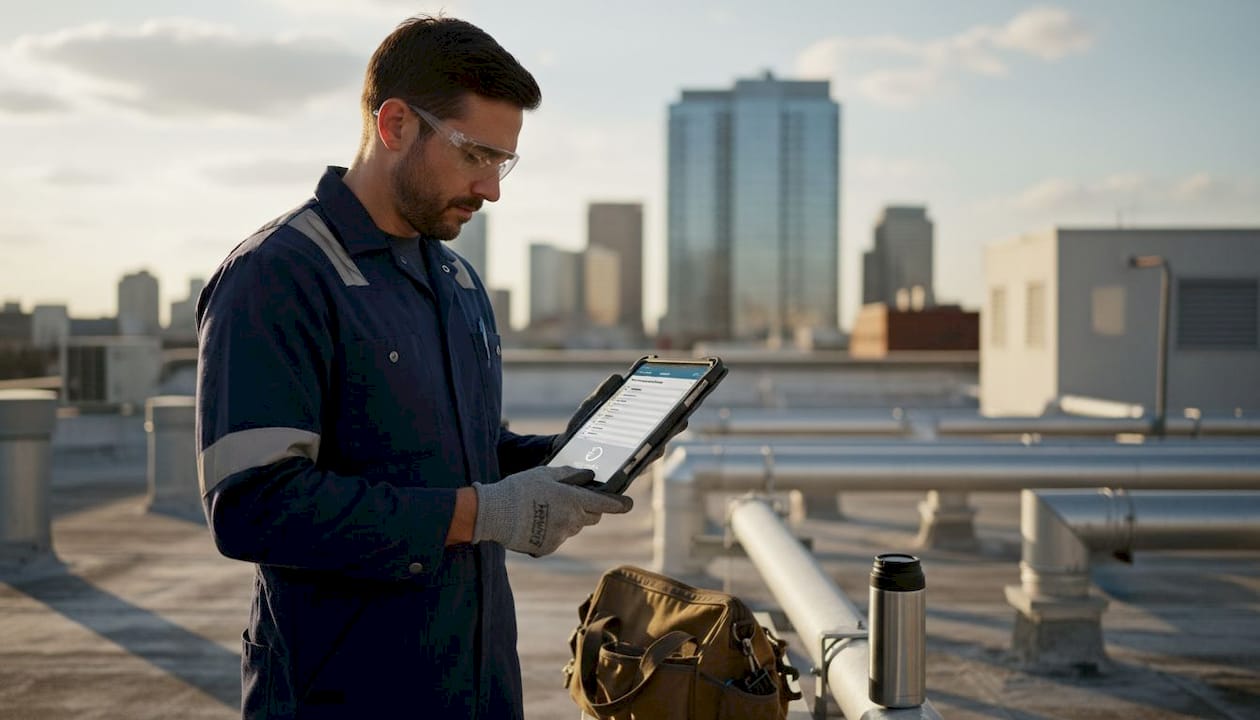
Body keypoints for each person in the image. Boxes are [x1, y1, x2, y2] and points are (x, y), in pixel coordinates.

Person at [194, 15, 633, 719]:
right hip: (341, 695)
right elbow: (252, 508)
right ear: (395, 124)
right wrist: (482, 513)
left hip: (480, 687)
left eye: (503, 162)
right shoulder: (276, 276)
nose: (491, 188)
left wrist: (559, 462)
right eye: (476, 154)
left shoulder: (457, 281)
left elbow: (461, 453)